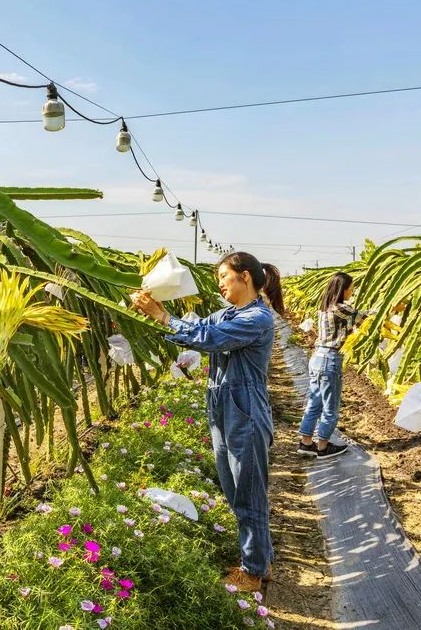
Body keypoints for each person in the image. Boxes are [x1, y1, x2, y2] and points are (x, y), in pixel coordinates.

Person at [131, 251, 277, 593]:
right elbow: (199, 328)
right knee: (234, 488)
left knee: (249, 491)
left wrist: (164, 317)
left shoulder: (258, 318)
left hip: (245, 409)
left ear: (244, 276)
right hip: (224, 405)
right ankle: (260, 559)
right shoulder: (228, 313)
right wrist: (157, 309)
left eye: (224, 277)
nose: (220, 285)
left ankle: (253, 573)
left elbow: (210, 339)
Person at [297, 272, 373, 460]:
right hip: (330, 359)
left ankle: (306, 443)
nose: (352, 291)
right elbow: (363, 316)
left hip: (317, 358)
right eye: (351, 287)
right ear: (343, 289)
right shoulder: (339, 309)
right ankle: (323, 446)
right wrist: (388, 308)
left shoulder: (324, 308)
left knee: (314, 403)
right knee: (330, 406)